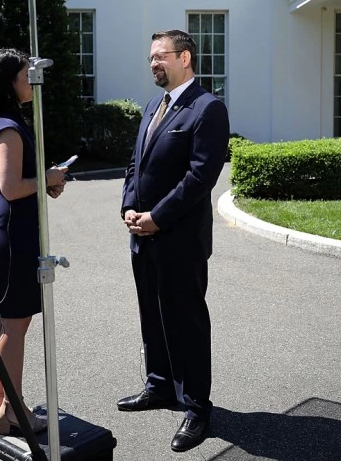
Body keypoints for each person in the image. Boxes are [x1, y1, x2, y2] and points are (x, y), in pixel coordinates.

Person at [118, 30, 230, 453]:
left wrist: (157, 218)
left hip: (179, 239)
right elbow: (136, 162)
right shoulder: (154, 105)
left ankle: (197, 407)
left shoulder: (208, 109)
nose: (153, 64)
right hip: (141, 235)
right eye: (150, 57)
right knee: (152, 315)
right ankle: (160, 386)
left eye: (160, 56)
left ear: (185, 57)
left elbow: (200, 177)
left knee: (186, 321)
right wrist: (129, 206)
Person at [0, 48, 68, 436]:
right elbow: (11, 188)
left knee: (4, 322)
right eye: (28, 74)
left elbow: (14, 187)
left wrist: (44, 183)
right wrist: (48, 177)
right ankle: (11, 407)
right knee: (15, 325)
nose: (33, 80)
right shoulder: (7, 126)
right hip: (14, 232)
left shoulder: (1, 121)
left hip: (10, 228)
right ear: (10, 80)